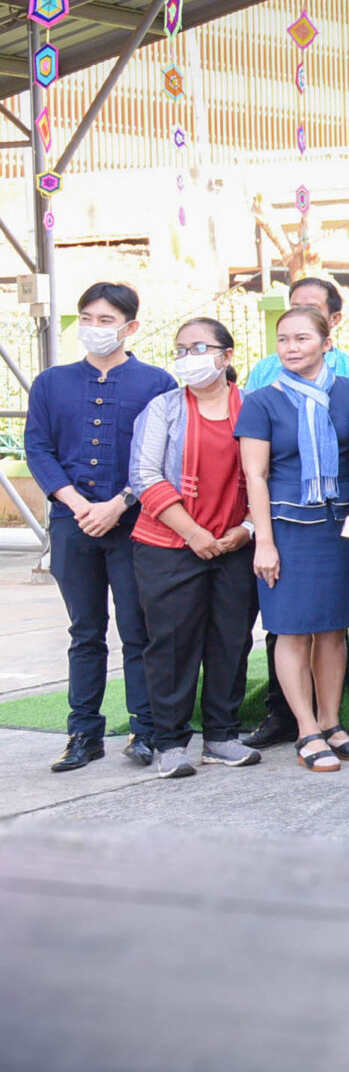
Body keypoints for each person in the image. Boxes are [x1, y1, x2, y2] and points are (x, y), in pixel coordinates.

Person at [30, 282, 174, 771]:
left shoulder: (156, 382)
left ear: (130, 327)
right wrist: (76, 503)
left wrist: (119, 503)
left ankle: (145, 730)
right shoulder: (51, 382)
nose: (94, 328)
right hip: (72, 524)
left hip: (135, 523)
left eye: (106, 320)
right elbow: (38, 449)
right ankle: (83, 734)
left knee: (138, 629)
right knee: (85, 631)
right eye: (87, 318)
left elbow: (162, 454)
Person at [239, 304, 349, 773]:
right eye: (283, 340)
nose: (291, 348)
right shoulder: (261, 401)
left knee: (334, 630)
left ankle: (332, 723)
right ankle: (306, 729)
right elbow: (255, 477)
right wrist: (264, 542)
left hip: (337, 528)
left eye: (302, 338)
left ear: (327, 343)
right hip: (288, 531)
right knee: (291, 631)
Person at [128, 319, 258, 775]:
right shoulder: (163, 408)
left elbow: (268, 474)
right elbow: (144, 476)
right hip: (169, 545)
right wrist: (193, 533)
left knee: (231, 640)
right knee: (173, 644)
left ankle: (221, 736)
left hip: (235, 544)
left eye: (199, 348)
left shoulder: (253, 407)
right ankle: (169, 743)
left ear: (226, 356)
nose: (188, 358)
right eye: (181, 349)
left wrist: (247, 528)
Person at [242, 278, 349, 391]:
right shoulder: (264, 370)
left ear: (334, 318)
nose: (301, 316)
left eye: (312, 309)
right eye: (295, 308)